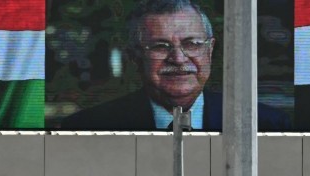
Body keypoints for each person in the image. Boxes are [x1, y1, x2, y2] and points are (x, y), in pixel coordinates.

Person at [61, 0, 290, 131]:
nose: (179, 59)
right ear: (134, 56)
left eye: (192, 44)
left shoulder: (266, 124)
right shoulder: (90, 127)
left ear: (209, 50)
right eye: (161, 46)